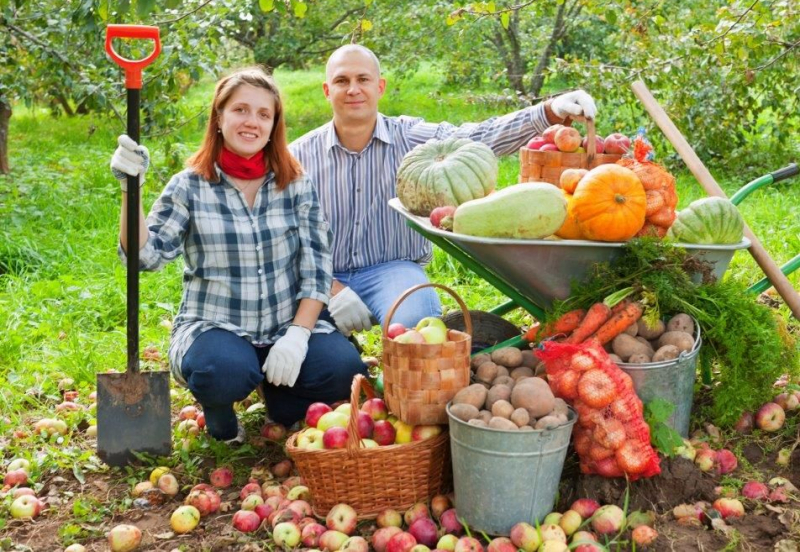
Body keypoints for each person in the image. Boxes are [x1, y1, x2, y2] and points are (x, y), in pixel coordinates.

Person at [110, 67, 367, 443]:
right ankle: (218, 409)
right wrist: (130, 190)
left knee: (343, 368)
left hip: (283, 323)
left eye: (264, 114)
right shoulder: (190, 185)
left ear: (274, 125)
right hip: (216, 326)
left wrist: (297, 335)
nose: (252, 122)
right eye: (241, 110)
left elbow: (316, 269)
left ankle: (283, 399)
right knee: (221, 371)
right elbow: (144, 257)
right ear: (219, 117)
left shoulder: (295, 184)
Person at [289, 44, 598, 335]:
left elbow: (477, 137)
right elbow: (279, 237)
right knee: (303, 342)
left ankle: (409, 377)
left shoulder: (410, 138)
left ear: (379, 87)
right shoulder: (298, 156)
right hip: (322, 275)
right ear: (327, 90)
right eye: (342, 81)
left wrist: (548, 112)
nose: (353, 89)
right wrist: (328, 286)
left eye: (363, 79)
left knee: (418, 324)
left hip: (392, 270)